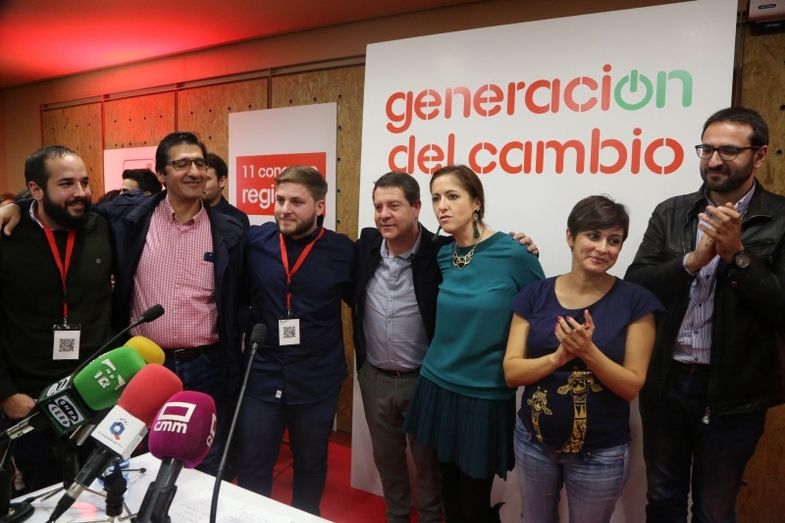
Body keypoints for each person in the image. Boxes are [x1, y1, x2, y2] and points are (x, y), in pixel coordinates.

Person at [625, 106, 785, 522]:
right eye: (707, 149)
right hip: (667, 383)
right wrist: (692, 262)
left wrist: (738, 257)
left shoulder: (781, 219)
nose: (713, 160)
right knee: (663, 500)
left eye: (728, 150)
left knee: (714, 511)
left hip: (734, 395)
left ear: (759, 155)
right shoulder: (672, 212)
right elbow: (637, 285)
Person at [503, 195, 661, 523]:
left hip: (600, 454)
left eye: (614, 240)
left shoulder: (636, 302)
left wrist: (588, 352)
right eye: (593, 235)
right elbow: (512, 372)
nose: (603, 248)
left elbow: (631, 386)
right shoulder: (535, 294)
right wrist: (559, 356)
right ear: (570, 237)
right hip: (533, 442)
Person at [404, 164, 544, 523]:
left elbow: (541, 314)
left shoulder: (514, 253)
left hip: (484, 393)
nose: (442, 206)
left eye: (452, 196)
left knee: (474, 502)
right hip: (437, 384)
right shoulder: (443, 254)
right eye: (436, 198)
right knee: (447, 491)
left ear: (476, 203)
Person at [101, 132, 245, 476]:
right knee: (134, 457)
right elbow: (73, 207)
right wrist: (15, 205)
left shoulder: (229, 230)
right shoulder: (129, 219)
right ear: (161, 174)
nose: (194, 171)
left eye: (200, 163)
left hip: (207, 365)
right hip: (144, 364)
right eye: (182, 164)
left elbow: (238, 296)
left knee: (205, 459)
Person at [236, 166, 353, 515]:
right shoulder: (255, 243)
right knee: (253, 464)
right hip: (263, 374)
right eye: (280, 200)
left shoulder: (343, 251)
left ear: (320, 207)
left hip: (317, 378)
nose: (284, 209)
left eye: (296, 202)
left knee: (311, 464)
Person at [0, 146, 113, 492]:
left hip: (94, 390)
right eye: (66, 184)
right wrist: (5, 393)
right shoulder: (7, 236)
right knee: (42, 496)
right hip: (30, 400)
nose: (81, 192)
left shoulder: (101, 227)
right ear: (35, 189)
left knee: (96, 492)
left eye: (84, 182)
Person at [204, 153, 250, 229]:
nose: (199, 184)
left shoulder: (237, 218)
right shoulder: (188, 214)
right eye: (198, 179)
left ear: (222, 181)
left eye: (206, 179)